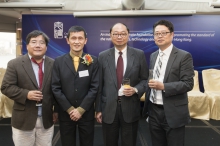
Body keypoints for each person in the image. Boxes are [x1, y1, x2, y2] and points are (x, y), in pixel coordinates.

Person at [1, 30, 58, 146]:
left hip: (46, 119)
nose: (38, 45)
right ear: (27, 46)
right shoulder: (15, 64)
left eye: (42, 42)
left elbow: (57, 89)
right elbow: (6, 87)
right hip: (23, 119)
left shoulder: (54, 64)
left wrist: (56, 110)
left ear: (46, 47)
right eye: (34, 42)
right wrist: (26, 94)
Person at [142, 19, 194, 146]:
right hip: (154, 110)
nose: (159, 36)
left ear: (172, 34)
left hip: (172, 111)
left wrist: (163, 86)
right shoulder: (154, 56)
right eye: (156, 33)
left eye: (163, 33)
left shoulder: (183, 56)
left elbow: (188, 83)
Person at [96, 23, 149, 146]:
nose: (119, 36)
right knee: (109, 142)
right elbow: (99, 84)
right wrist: (98, 109)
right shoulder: (103, 56)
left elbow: (145, 80)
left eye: (123, 34)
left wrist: (135, 89)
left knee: (129, 142)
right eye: (116, 34)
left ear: (128, 35)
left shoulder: (139, 54)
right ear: (110, 36)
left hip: (130, 107)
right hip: (108, 108)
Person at [51, 26, 99, 146]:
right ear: (67, 40)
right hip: (66, 113)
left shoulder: (93, 61)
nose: (77, 41)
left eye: (80, 38)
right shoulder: (58, 61)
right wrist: (70, 109)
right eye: (73, 38)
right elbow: (56, 88)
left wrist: (81, 109)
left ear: (85, 40)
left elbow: (95, 87)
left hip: (86, 112)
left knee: (87, 143)